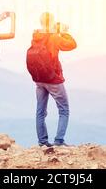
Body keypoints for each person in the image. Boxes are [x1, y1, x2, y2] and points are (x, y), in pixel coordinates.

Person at [28, 12, 77, 147]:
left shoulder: (36, 36)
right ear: (52, 22)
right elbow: (72, 45)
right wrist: (64, 32)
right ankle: (59, 141)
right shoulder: (54, 37)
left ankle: (42, 142)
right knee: (64, 109)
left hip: (39, 79)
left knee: (40, 111)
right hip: (53, 79)